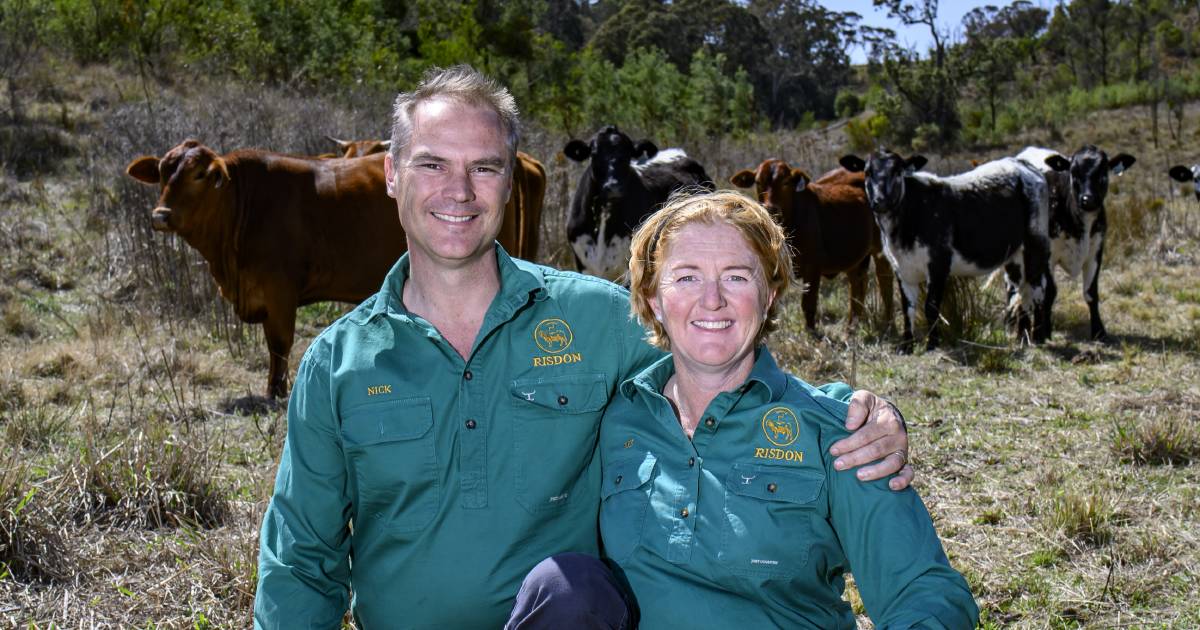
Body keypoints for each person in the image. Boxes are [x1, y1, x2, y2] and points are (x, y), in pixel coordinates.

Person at [253, 65, 912, 629]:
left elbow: (723, 366)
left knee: (573, 589)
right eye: (433, 166)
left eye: (483, 168)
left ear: (511, 180)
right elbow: (300, 560)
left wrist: (853, 411)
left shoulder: (594, 318)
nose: (459, 192)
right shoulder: (337, 363)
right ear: (391, 175)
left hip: (560, 619)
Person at [583, 190, 977, 628]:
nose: (712, 300)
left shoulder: (839, 429)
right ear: (654, 298)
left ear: (769, 295)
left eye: (736, 277)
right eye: (686, 277)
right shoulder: (616, 418)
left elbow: (925, 591)